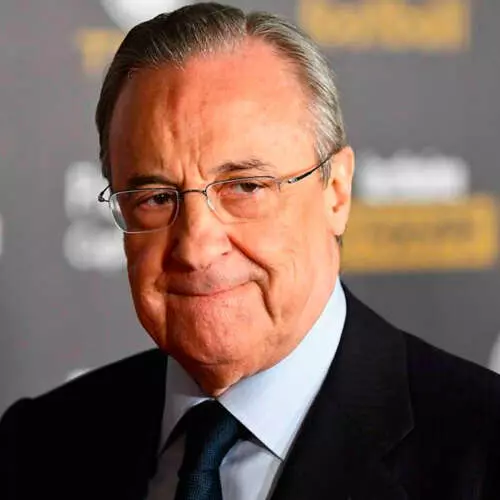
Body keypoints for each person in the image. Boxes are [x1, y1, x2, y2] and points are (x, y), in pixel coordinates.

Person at [1, 3, 500, 499]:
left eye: (244, 187)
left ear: (336, 194)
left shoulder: (485, 452)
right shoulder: (34, 447)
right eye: (156, 198)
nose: (196, 247)